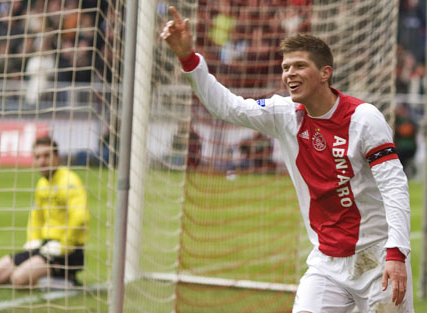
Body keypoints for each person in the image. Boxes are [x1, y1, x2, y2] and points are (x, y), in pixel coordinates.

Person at [161, 6, 413, 313]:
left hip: (376, 260)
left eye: (299, 65)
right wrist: (189, 59)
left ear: (325, 73)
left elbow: (395, 186)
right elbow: (226, 107)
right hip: (326, 263)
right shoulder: (284, 114)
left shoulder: (364, 118)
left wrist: (396, 254)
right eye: (285, 67)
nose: (289, 73)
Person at [0, 136, 89, 287]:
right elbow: (36, 217)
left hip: (68, 250)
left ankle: (67, 279)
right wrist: (33, 240)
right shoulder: (42, 184)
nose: (42, 161)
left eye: (47, 156)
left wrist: (64, 245)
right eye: (38, 157)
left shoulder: (70, 181)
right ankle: (42, 276)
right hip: (43, 246)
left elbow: (79, 217)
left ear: (57, 157)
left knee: (18, 279)